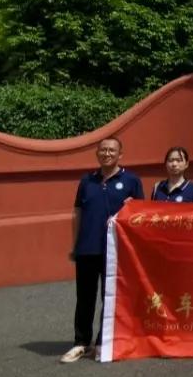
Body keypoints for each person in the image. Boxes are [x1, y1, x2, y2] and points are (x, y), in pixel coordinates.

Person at [61, 137, 144, 364]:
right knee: (84, 298)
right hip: (87, 248)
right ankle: (81, 342)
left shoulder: (131, 181)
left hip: (116, 250)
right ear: (97, 153)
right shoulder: (87, 181)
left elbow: (139, 216)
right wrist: (75, 244)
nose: (107, 153)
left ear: (120, 154)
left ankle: (103, 342)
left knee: (110, 297)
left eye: (112, 150)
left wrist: (130, 208)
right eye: (103, 150)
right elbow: (78, 213)